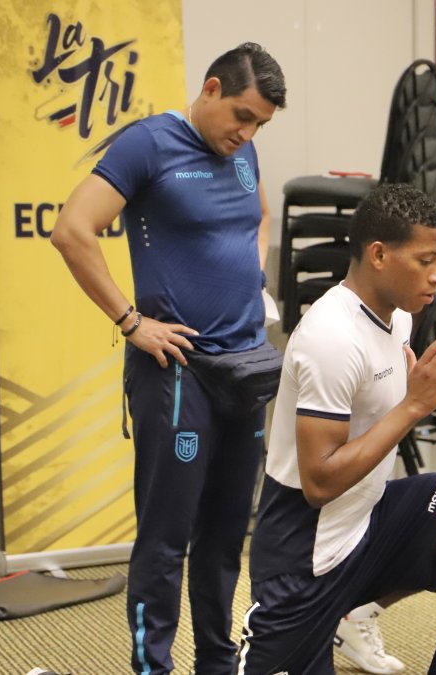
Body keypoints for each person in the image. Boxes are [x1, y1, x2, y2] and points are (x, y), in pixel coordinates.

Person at [51, 44, 287, 675]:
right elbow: (72, 229)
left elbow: (259, 217)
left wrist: (250, 285)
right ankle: (153, 667)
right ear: (210, 89)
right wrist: (131, 322)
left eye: (260, 123)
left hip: (245, 370)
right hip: (179, 379)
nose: (247, 132)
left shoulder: (245, 153)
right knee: (167, 536)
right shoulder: (148, 146)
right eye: (241, 115)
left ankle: (215, 661)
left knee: (225, 533)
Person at [238, 183, 436, 675]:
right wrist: (411, 406)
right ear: (379, 255)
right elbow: (319, 483)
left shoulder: (398, 319)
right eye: (425, 261)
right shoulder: (331, 338)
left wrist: (405, 400)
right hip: (306, 551)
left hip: (368, 521)